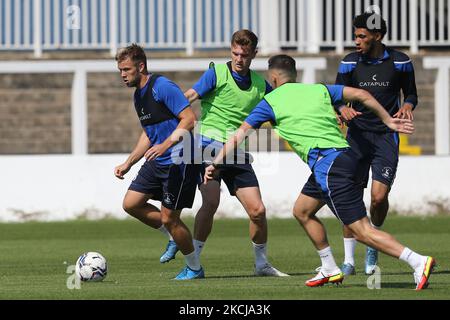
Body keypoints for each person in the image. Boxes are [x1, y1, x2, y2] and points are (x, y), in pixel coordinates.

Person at [204, 54, 435, 290]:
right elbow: (362, 94)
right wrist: (387, 120)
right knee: (302, 210)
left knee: (362, 231)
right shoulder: (319, 89)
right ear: (295, 75)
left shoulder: (270, 101)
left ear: (273, 78)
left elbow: (239, 135)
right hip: (345, 157)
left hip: (329, 167)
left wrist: (215, 163)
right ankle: (329, 268)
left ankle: (418, 261)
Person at [183, 29, 287, 276]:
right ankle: (193, 264)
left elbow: (281, 111)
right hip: (207, 148)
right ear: (231, 50)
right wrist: (166, 113)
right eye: (235, 53)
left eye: (245, 54)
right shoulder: (216, 73)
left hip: (236, 153)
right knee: (211, 202)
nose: (239, 59)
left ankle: (261, 264)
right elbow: (188, 96)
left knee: (258, 211)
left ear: (254, 54)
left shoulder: (262, 85)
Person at [334, 11, 419, 275]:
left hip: (386, 138)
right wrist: (341, 109)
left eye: (362, 36)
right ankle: (348, 260)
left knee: (379, 197)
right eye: (355, 35)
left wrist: (407, 105)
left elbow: (412, 93)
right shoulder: (349, 63)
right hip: (356, 138)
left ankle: (374, 244)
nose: (356, 41)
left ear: (378, 36)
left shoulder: (400, 61)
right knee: (351, 196)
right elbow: (337, 96)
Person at [114, 44, 203, 280]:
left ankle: (194, 267)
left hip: (180, 160)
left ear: (141, 66)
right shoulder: (138, 96)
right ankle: (172, 237)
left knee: (169, 217)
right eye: (120, 70)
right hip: (158, 160)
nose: (122, 75)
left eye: (126, 69)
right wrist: (130, 162)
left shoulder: (162, 87)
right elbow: (148, 133)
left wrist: (164, 145)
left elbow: (189, 120)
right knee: (131, 203)